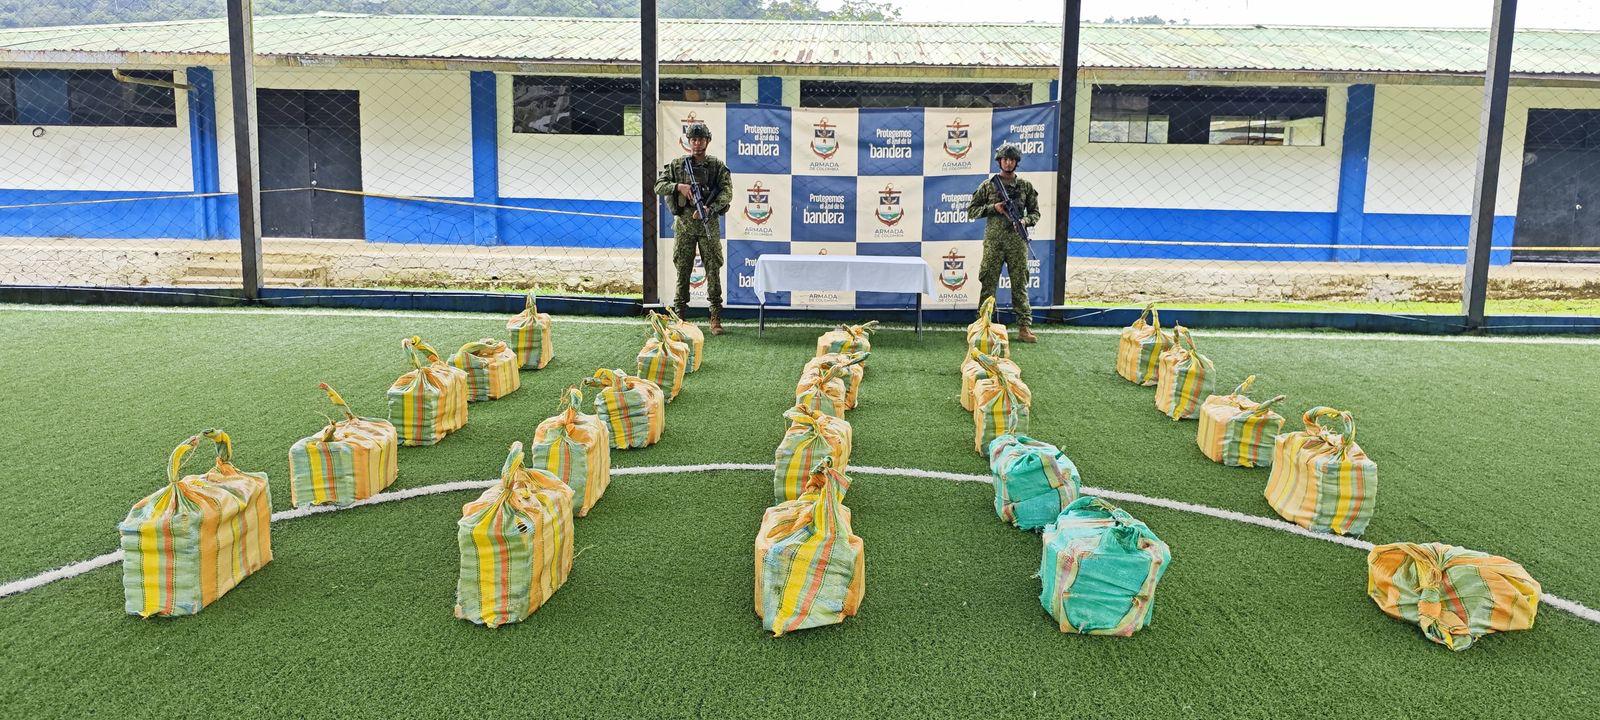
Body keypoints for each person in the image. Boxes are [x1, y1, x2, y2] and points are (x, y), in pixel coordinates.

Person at [654, 122, 732, 335]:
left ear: (707, 141)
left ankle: (715, 316)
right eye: (694, 140)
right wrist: (679, 186)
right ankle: (680, 316)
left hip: (708, 225)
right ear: (689, 141)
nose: (697, 143)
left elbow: (727, 192)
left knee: (713, 269)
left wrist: (709, 208)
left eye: (701, 139)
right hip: (685, 226)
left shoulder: (716, 166)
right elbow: (658, 186)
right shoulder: (678, 165)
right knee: (683, 269)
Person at [966, 143, 1040, 343]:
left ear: (1016, 162)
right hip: (994, 243)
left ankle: (1024, 327)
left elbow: (1035, 212)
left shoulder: (1025, 186)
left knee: (1019, 284)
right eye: (1005, 159)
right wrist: (994, 207)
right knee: (988, 283)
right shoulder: (989, 185)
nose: (1008, 163)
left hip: (1017, 243)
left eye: (1012, 159)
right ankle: (983, 325)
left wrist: (1025, 221)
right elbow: (971, 210)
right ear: (999, 161)